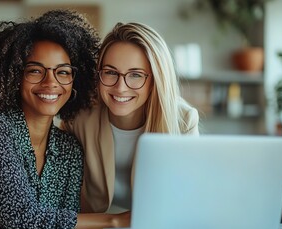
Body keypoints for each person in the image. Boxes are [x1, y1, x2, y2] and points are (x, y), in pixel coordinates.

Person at [0, 9, 103, 229]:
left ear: (75, 81)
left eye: (63, 72)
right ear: (14, 77)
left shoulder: (70, 150)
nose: (51, 82)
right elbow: (22, 218)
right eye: (35, 70)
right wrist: (116, 221)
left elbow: (65, 227)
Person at [62, 22, 200, 214]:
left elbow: (191, 198)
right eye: (111, 72)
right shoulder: (78, 118)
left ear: (155, 80)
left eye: (135, 75)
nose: (121, 87)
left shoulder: (184, 120)